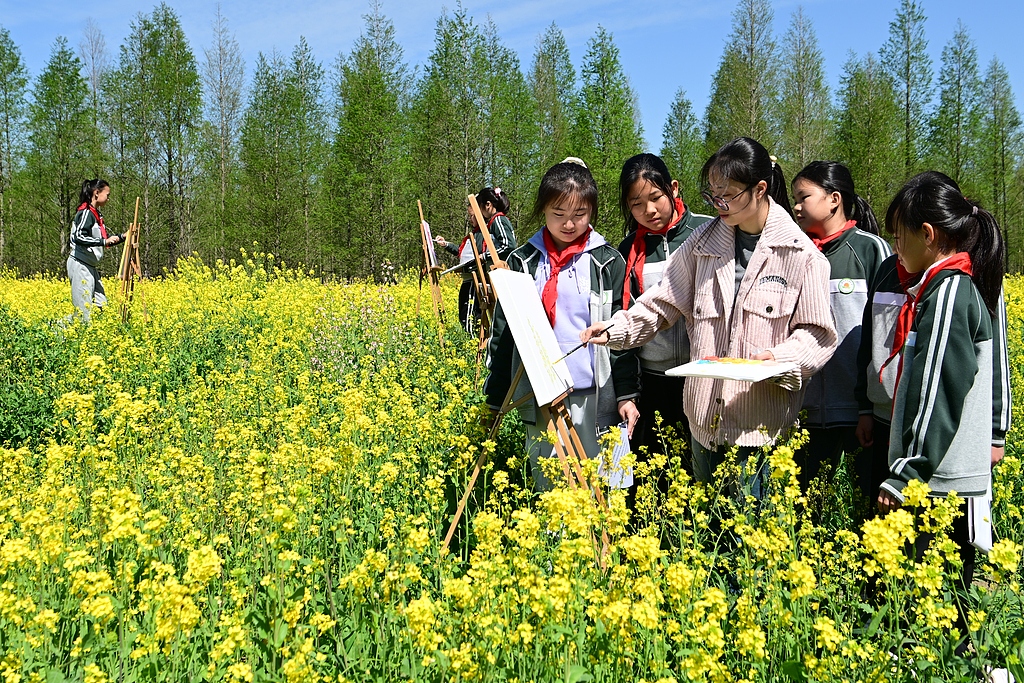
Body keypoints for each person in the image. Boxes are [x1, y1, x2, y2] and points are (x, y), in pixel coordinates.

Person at [580, 138, 837, 498]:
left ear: (760, 189)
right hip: (703, 422)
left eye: (727, 195)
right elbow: (661, 302)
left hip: (758, 426)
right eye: (713, 195)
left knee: (749, 541)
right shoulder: (701, 246)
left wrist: (780, 359)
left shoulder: (800, 255)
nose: (719, 204)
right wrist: (615, 330)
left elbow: (817, 334)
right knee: (708, 529)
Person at [874, 171, 1010, 644]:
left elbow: (938, 389)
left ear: (927, 235)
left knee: (943, 612)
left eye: (899, 235)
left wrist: (908, 469)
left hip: (939, 482)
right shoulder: (951, 286)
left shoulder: (951, 290)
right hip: (943, 477)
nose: (895, 248)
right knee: (947, 605)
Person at [484, 159, 639, 490]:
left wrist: (627, 394)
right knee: (551, 485)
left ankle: (601, 543)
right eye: (559, 214)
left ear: (592, 211)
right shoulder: (522, 260)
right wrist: (495, 397)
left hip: (595, 394)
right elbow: (505, 333)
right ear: (543, 209)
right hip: (542, 394)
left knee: (601, 485)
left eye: (579, 214)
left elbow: (623, 331)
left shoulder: (607, 260)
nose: (569, 224)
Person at [790, 161, 891, 491]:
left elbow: (886, 335)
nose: (796, 206)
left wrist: (869, 405)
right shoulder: (794, 252)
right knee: (807, 509)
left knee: (867, 504)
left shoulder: (870, 250)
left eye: (803, 197)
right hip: (806, 412)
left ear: (834, 199)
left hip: (858, 410)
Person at [615, 153, 712, 489]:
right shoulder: (627, 251)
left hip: (704, 377)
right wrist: (626, 391)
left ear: (673, 188)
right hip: (653, 381)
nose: (650, 211)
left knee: (704, 474)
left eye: (655, 198)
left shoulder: (709, 232)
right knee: (655, 478)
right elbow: (623, 322)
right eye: (637, 204)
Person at [435, 187, 517, 332]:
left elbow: (508, 245)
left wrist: (484, 256)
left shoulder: (497, 220)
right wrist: (447, 245)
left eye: (474, 213)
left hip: (486, 275)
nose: (472, 218)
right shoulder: (492, 223)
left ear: (487, 205)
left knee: (474, 316)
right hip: (481, 275)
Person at [67, 179, 125, 322]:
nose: (109, 198)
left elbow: (102, 242)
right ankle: (56, 333)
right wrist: (103, 241)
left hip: (90, 266)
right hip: (80, 264)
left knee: (101, 305)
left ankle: (95, 337)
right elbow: (79, 236)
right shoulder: (86, 212)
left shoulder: (96, 214)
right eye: (108, 194)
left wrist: (123, 237)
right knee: (83, 312)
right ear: (97, 193)